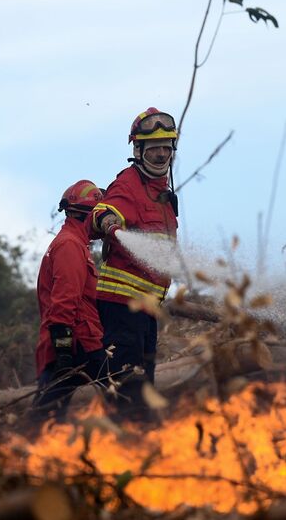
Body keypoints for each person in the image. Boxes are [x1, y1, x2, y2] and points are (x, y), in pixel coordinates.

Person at [91, 108, 179, 418]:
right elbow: (103, 211)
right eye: (153, 147)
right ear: (137, 150)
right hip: (121, 311)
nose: (160, 154)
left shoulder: (162, 194)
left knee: (141, 396)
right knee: (129, 400)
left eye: (166, 146)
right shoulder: (129, 184)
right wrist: (108, 220)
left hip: (144, 313)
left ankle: (135, 454)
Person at [32, 179, 107, 420]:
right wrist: (63, 351)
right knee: (44, 420)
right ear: (90, 216)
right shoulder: (70, 246)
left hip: (77, 346)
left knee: (48, 418)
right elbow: (65, 300)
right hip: (77, 347)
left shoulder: (74, 244)